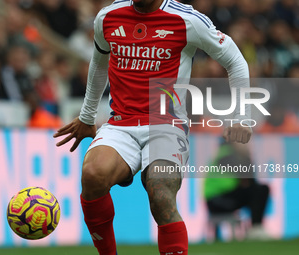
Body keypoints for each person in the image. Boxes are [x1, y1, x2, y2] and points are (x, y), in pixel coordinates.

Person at [54, 0, 252, 254]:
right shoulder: (108, 17)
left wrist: (242, 116)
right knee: (92, 174)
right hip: (121, 123)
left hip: (166, 125)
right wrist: (87, 116)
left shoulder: (188, 20)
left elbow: (235, 60)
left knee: (160, 191)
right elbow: (98, 62)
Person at [204, 141, 270, 240]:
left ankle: (256, 227)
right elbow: (247, 177)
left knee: (258, 191)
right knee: (260, 190)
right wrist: (246, 158)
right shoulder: (228, 155)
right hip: (217, 199)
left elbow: (250, 181)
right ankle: (256, 228)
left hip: (220, 198)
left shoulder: (226, 153)